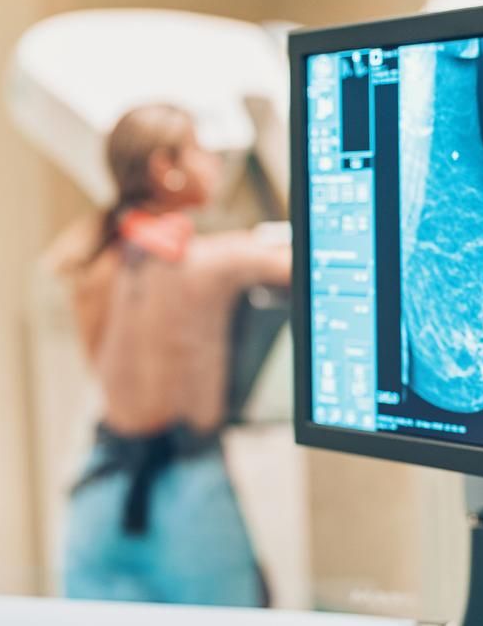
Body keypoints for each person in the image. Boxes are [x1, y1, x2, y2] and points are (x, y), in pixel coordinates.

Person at [61, 103, 292, 606]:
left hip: (101, 485)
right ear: (167, 170)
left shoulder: (86, 257)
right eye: (201, 149)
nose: (214, 161)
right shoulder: (213, 262)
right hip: (186, 492)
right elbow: (325, 262)